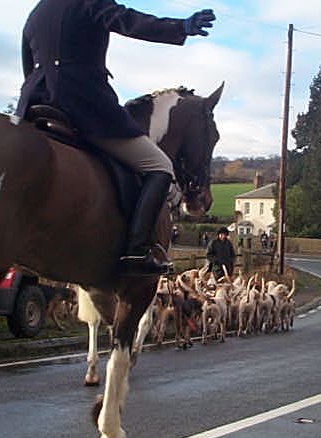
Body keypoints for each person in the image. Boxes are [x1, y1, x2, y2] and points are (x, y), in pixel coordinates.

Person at [15, 1, 215, 276]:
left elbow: (28, 65)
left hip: (36, 104)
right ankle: (137, 250)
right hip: (85, 104)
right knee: (159, 166)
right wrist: (180, 27)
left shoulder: (37, 12)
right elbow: (127, 21)